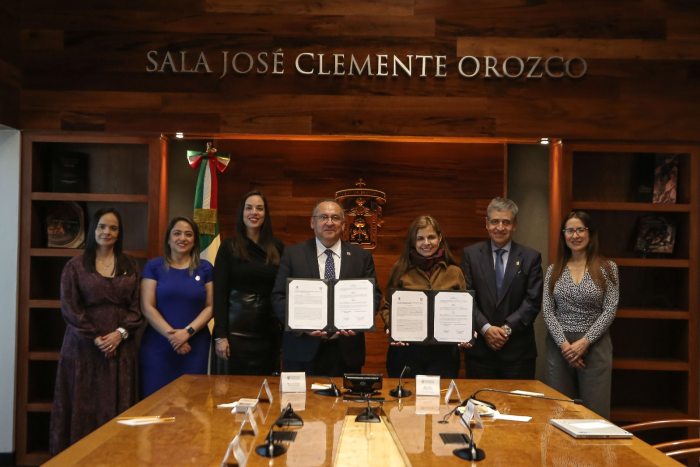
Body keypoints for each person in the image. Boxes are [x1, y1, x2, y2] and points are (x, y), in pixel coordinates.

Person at [50, 208, 143, 455]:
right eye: (102, 226)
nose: (107, 232)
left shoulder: (131, 264)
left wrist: (120, 334)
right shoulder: (75, 266)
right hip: (83, 348)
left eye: (113, 228)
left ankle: (117, 458)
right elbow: (70, 307)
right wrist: (96, 338)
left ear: (119, 233)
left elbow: (138, 307)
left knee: (120, 406)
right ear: (93, 229)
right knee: (84, 405)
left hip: (122, 347)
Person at [271, 198, 382, 376]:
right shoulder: (293, 255)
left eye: (335, 218)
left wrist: (357, 323)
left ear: (343, 224)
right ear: (312, 222)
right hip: (302, 349)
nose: (329, 222)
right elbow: (278, 297)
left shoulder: (361, 257)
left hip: (346, 351)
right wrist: (300, 325)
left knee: (345, 396)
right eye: (323, 217)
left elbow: (374, 296)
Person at [543, 211, 618, 419]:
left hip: (595, 345)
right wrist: (565, 347)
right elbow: (548, 311)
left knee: (595, 414)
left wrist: (585, 342)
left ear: (589, 233)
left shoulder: (608, 268)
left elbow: (610, 310)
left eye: (580, 230)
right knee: (558, 411)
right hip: (560, 346)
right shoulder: (553, 270)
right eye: (569, 231)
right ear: (563, 235)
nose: (574, 235)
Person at [380, 215, 472, 379]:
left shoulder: (454, 272)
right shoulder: (400, 270)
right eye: (420, 238)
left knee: (440, 396)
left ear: (440, 238)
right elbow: (387, 307)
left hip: (444, 355)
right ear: (413, 241)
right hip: (406, 352)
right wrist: (391, 327)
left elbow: (463, 310)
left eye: (431, 237)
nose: (426, 243)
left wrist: (466, 332)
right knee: (406, 396)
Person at [461, 197, 543, 379]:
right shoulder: (471, 255)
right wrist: (486, 329)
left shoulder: (530, 257)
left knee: (518, 399)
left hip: (518, 353)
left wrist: (506, 329)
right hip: (480, 352)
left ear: (514, 225)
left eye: (506, 222)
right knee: (479, 398)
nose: (500, 227)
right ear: (487, 223)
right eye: (495, 221)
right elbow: (466, 298)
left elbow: (532, 301)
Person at [212, 191, 284, 375]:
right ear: (241, 213)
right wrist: (220, 336)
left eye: (260, 208)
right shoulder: (228, 247)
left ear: (265, 214)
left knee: (266, 386)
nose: (254, 212)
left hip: (268, 332)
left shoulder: (277, 247)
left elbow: (283, 292)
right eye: (249, 208)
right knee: (231, 387)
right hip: (234, 332)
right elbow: (219, 294)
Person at [139, 217, 213, 398]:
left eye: (188, 234)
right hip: (159, 347)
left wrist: (187, 332)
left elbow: (211, 306)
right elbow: (147, 307)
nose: (183, 238)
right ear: (168, 238)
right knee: (155, 404)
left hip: (195, 347)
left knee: (193, 403)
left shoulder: (205, 268)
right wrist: (173, 337)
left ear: (195, 240)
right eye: (177, 233)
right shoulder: (154, 266)